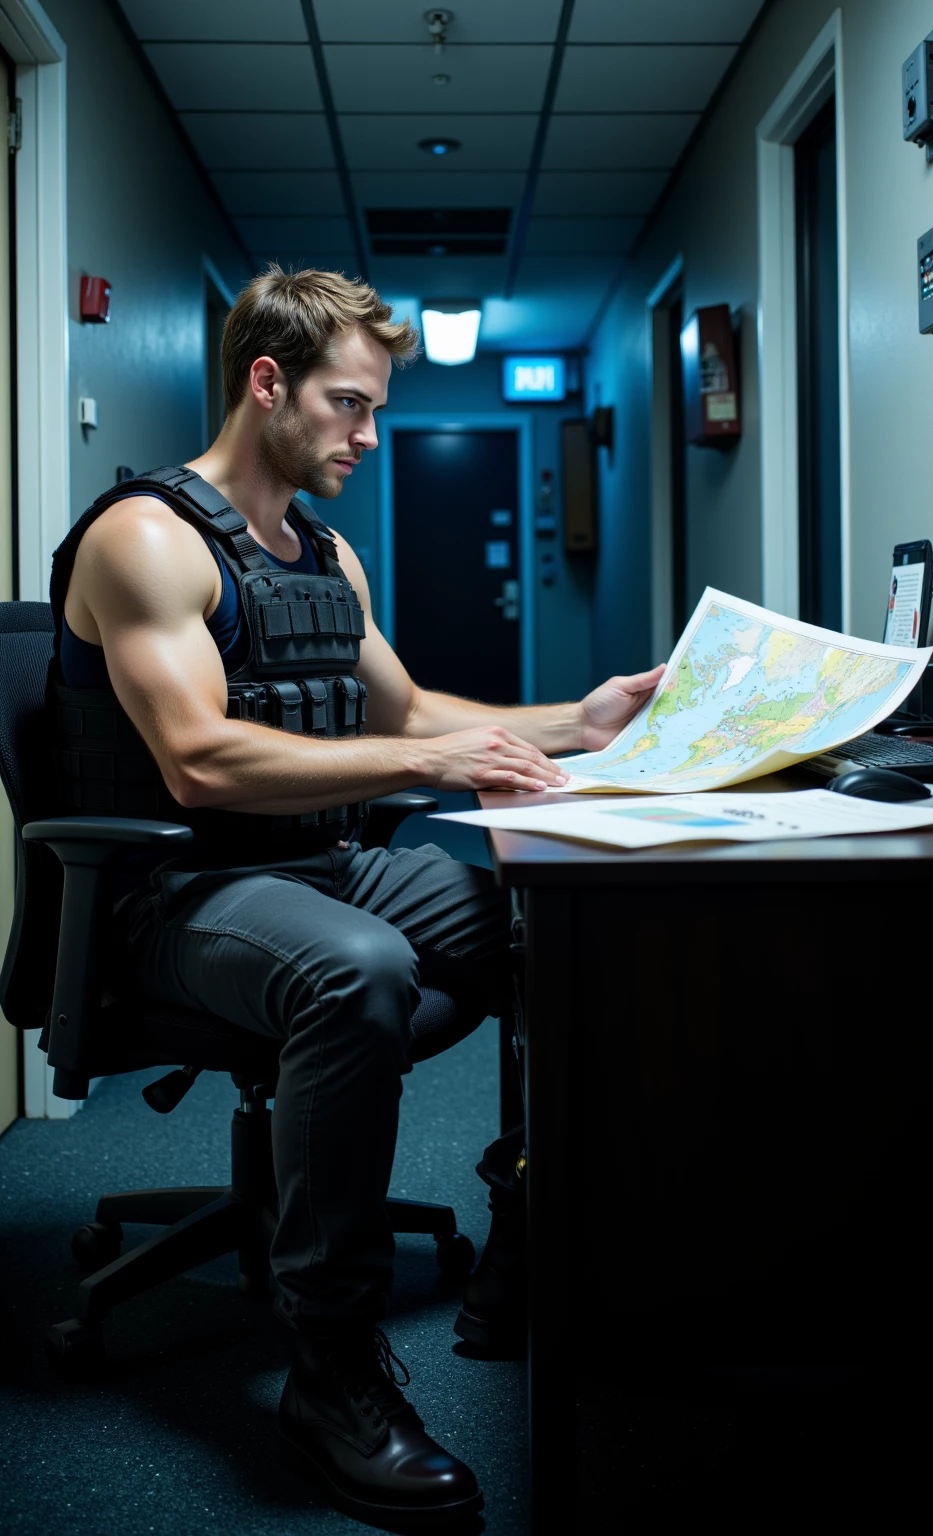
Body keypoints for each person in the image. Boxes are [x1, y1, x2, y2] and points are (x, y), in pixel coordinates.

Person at [48, 266, 665, 1528]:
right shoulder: (145, 540)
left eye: (375, 410)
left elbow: (410, 712)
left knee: (534, 914)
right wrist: (433, 762)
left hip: (317, 866)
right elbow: (200, 758)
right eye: (348, 405)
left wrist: (581, 722)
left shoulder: (326, 553)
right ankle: (328, 1377)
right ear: (266, 383)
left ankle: (520, 1234)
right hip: (176, 894)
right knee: (357, 970)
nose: (367, 438)